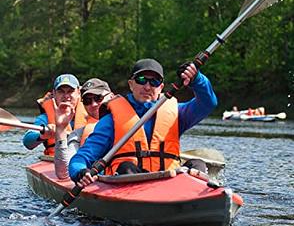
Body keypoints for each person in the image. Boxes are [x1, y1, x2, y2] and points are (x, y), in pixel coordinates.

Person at [69, 58, 218, 188]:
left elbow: (208, 103)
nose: (147, 87)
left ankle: (202, 195)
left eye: (154, 82)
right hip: (130, 182)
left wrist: (197, 79)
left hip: (170, 182)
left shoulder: (177, 114)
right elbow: (82, 158)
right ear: (131, 84)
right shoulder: (111, 120)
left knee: (197, 164)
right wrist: (81, 171)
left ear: (161, 87)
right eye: (141, 80)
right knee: (126, 167)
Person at [54, 78, 114, 179]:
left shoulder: (136, 119)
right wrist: (60, 129)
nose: (93, 104)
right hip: (108, 183)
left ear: (111, 96)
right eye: (87, 101)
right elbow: (64, 174)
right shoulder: (79, 134)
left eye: (98, 98)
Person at [23, 74, 86, 155]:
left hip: (84, 159)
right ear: (54, 93)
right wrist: (42, 136)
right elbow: (27, 142)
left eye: (70, 91)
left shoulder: (91, 112)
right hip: (56, 160)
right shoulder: (44, 118)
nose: (66, 96)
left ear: (78, 92)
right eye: (61, 91)